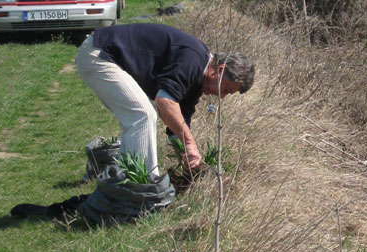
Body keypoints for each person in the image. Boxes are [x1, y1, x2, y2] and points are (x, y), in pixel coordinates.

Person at [76, 23, 254, 176]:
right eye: (226, 89)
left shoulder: (196, 79)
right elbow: (165, 102)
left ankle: (123, 182)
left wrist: (186, 154)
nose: (221, 96)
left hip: (104, 54)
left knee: (139, 116)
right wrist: (189, 143)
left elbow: (177, 123)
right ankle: (144, 190)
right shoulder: (193, 60)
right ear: (220, 70)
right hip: (100, 54)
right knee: (143, 115)